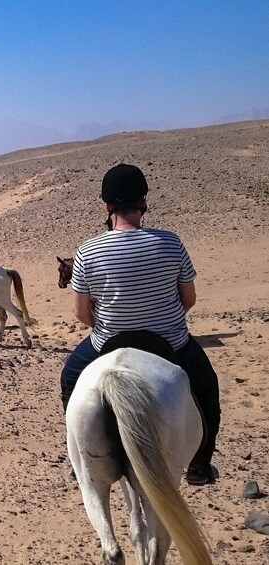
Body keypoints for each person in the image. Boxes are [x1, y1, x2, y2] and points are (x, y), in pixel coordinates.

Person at [60, 163, 221, 486]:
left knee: (69, 380)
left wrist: (109, 325)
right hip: (171, 342)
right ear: (144, 202)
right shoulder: (170, 242)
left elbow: (80, 312)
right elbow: (189, 299)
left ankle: (79, 455)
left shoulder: (87, 251)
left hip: (107, 342)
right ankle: (201, 463)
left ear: (107, 205)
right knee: (207, 389)